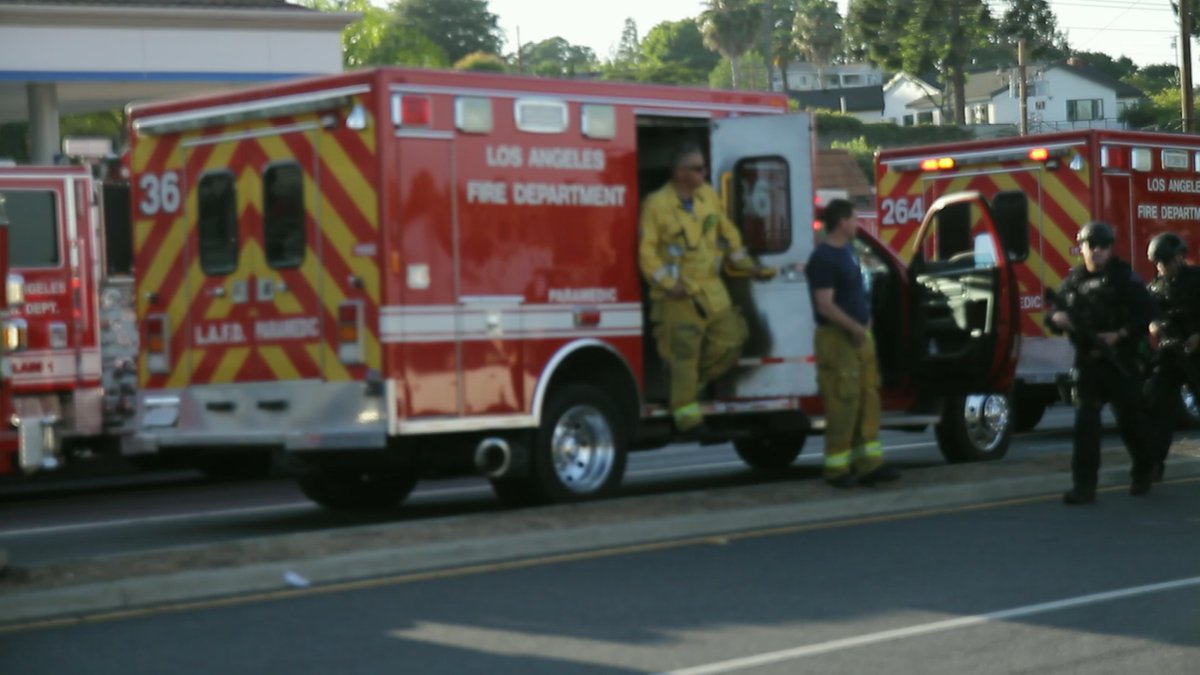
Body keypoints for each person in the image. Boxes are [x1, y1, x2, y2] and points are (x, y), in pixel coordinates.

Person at [638, 143, 771, 433]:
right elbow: (646, 253)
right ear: (679, 173)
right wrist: (668, 284)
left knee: (733, 339)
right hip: (677, 295)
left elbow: (728, 235)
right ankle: (687, 419)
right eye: (698, 168)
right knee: (683, 353)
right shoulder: (656, 204)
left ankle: (685, 387)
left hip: (711, 288)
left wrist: (750, 267)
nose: (704, 173)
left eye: (703, 168)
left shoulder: (708, 196)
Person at [1047, 221, 1155, 504]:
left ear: (1110, 249)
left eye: (1102, 246)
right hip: (1089, 364)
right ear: (1081, 248)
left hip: (1120, 360)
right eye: (1090, 246)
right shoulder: (1074, 282)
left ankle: (1144, 472)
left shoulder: (1123, 278)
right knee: (1086, 426)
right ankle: (1084, 486)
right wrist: (1057, 319)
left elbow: (1145, 311)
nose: (1096, 252)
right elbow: (1056, 314)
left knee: (1131, 421)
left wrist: (1119, 335)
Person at [805, 199, 900, 488]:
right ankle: (836, 469)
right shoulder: (823, 258)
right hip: (837, 339)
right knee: (844, 403)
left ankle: (868, 465)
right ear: (842, 222)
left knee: (867, 400)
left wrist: (865, 323)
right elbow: (825, 305)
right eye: (855, 218)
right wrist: (855, 327)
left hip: (859, 337)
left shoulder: (848, 252)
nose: (858, 223)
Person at [1145, 232, 1200, 482]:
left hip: (1197, 353)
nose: (1162, 267)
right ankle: (1153, 464)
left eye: (1166, 261)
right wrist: (1153, 325)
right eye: (1158, 263)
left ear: (1179, 257)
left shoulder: (1196, 279)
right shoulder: (1155, 287)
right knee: (1160, 407)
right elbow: (1146, 315)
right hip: (1171, 352)